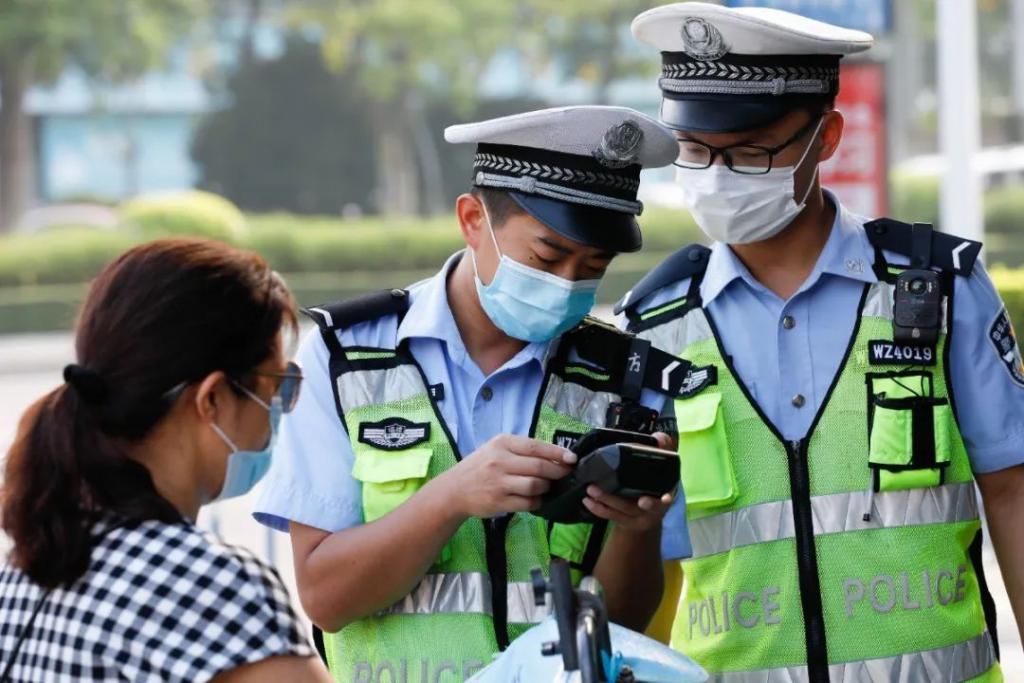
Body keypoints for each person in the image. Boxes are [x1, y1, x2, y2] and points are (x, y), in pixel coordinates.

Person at [617, 2, 1022, 681]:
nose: (716, 175)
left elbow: (1012, 490)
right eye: (694, 152)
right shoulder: (655, 327)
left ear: (825, 137)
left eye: (749, 152)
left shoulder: (939, 290)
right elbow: (643, 564)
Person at [253, 105, 693, 682]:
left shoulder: (629, 380)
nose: (567, 284)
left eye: (593, 266)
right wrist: (450, 497)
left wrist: (638, 531)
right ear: (472, 219)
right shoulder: (345, 362)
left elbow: (624, 629)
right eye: (546, 256)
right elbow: (327, 599)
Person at [0, 239, 331, 683]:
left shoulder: (30, 569)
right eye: (279, 387)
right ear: (212, 398)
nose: (281, 409)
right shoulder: (208, 589)